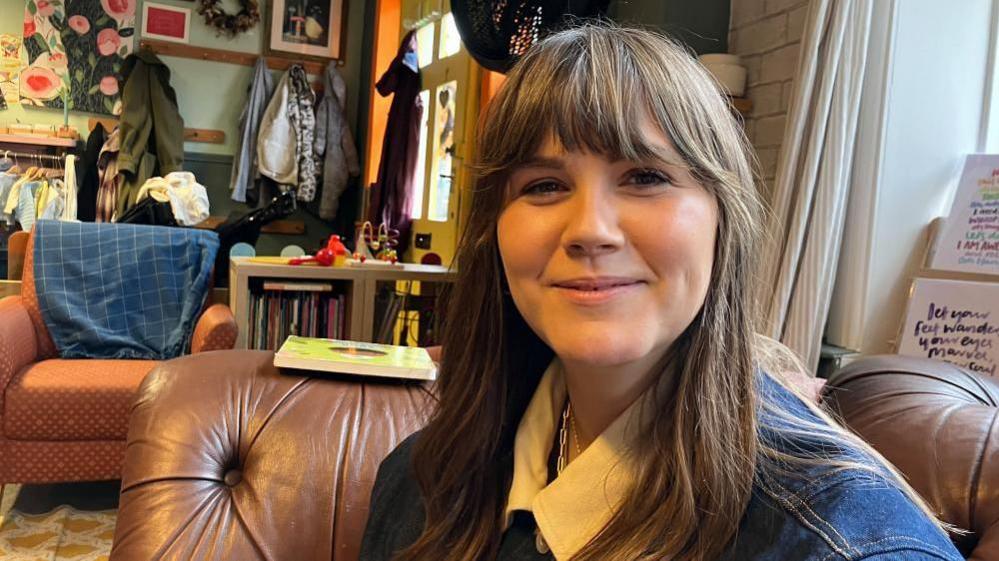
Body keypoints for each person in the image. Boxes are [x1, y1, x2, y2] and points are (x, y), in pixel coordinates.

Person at [360, 23, 964, 561]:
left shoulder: (851, 543)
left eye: (644, 177)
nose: (590, 230)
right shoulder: (419, 482)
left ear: (722, 219)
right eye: (543, 185)